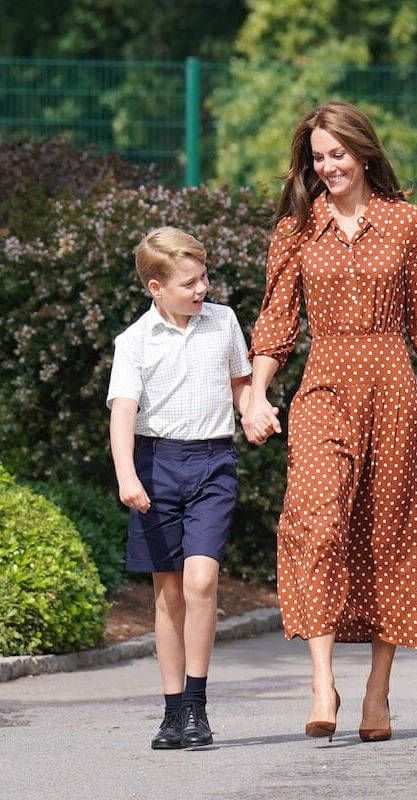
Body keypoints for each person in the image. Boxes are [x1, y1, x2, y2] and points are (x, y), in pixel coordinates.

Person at [243, 100, 417, 743]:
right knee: (314, 520)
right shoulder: (297, 229)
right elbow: (277, 320)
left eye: (338, 154)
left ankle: (377, 692)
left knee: (386, 535)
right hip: (323, 387)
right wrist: (258, 396)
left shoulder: (407, 223)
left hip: (393, 388)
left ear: (363, 152)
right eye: (317, 158)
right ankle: (323, 683)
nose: (328, 167)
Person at [107, 226, 256, 750]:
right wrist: (127, 473)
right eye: (190, 282)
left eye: (204, 278)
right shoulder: (134, 341)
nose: (202, 290)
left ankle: (197, 703)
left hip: (213, 461)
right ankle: (173, 713)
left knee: (199, 584)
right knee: (168, 594)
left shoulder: (224, 322)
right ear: (156, 287)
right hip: (155, 465)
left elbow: (241, 382)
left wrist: (252, 409)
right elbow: (123, 412)